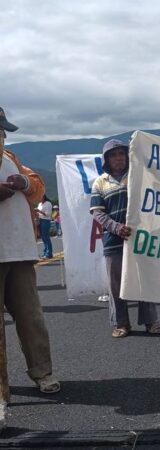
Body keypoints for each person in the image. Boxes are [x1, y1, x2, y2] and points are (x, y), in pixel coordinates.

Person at [0, 107, 60, 393]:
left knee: (31, 317)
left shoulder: (10, 157)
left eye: (3, 132)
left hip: (20, 251)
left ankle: (42, 372)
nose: (2, 136)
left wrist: (24, 182)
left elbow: (37, 187)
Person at [90, 139, 160, 338]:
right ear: (106, 159)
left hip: (140, 238)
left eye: (121, 153)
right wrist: (116, 227)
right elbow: (98, 213)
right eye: (113, 155)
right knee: (116, 285)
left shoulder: (137, 175)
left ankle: (150, 321)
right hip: (113, 241)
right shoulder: (100, 182)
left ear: (127, 156)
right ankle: (121, 323)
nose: (118, 158)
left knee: (144, 281)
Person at [37, 194, 53, 258]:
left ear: (43, 197)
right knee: (43, 238)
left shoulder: (48, 203)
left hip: (46, 221)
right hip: (40, 220)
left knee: (46, 237)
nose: (38, 199)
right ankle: (45, 252)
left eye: (39, 197)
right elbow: (38, 213)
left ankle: (49, 253)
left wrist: (39, 211)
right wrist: (36, 212)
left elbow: (47, 214)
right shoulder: (39, 204)